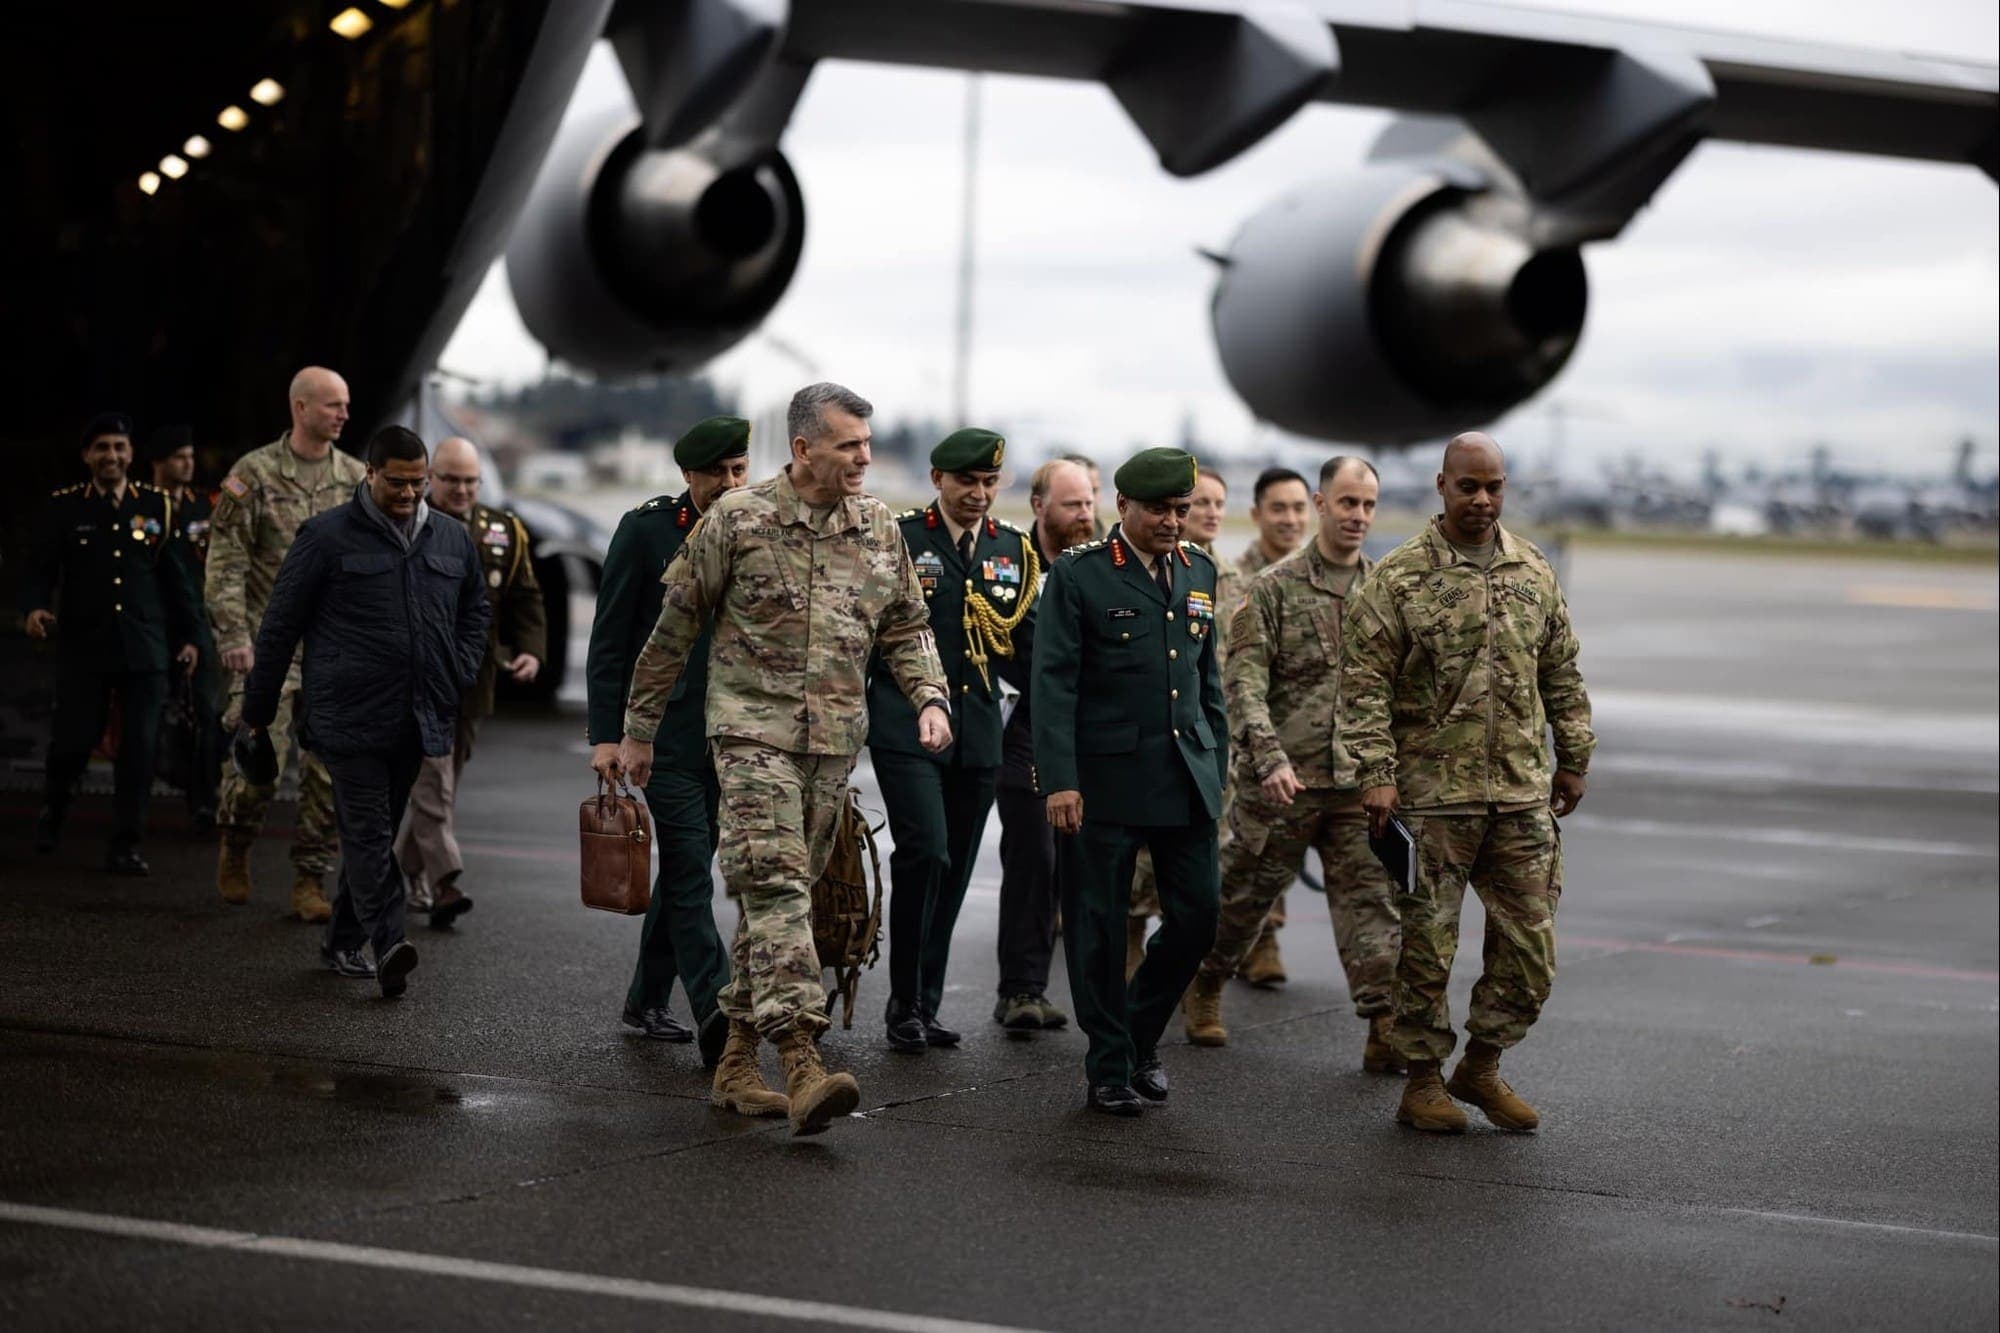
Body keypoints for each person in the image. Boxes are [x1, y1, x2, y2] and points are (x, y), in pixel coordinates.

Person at [616, 382, 949, 1137]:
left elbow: (906, 625)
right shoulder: (736, 519)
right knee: (773, 889)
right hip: (749, 736)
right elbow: (673, 629)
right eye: (848, 445)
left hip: (833, 747)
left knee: (780, 903)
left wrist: (930, 696)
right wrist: (638, 729)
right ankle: (801, 1057)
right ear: (803, 449)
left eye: (867, 443)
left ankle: (734, 1063)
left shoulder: (877, 529)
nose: (864, 458)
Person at [1341, 432, 1595, 1134]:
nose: (1482, 500)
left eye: (1494, 487)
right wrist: (1377, 776)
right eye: (1468, 487)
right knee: (1427, 950)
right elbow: (1362, 687)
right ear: (1441, 486)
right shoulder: (1399, 579)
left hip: (1519, 794)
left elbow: (1562, 673)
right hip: (1430, 800)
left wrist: (1574, 754)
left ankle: (1480, 1066)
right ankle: (1421, 1079)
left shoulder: (1533, 570)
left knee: (1531, 952)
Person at [240, 426, 489, 997]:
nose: (407, 494)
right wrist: (257, 714)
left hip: (418, 715)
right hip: (345, 716)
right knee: (368, 833)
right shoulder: (325, 538)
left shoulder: (451, 540)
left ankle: (341, 941)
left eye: (417, 483)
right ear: (369, 474)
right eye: (396, 482)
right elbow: (279, 629)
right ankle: (388, 943)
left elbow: (475, 609)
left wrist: (459, 669)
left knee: (378, 830)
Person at [1183, 457, 1403, 1072]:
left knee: (1372, 909)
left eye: (1368, 505)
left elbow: (1403, 688)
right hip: (1283, 782)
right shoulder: (1275, 587)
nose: (1358, 515)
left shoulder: (1385, 589)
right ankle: (1203, 984)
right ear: (1322, 504)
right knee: (1241, 900)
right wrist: (1268, 756)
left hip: (1357, 787)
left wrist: (1392, 769)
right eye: (1348, 503)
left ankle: (1384, 1022)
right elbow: (1243, 682)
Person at [1033, 446, 1227, 1117]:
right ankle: (1109, 1064)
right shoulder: (1082, 576)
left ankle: (1139, 1034)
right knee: (1099, 927)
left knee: (1199, 919)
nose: (1175, 521)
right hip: (1105, 780)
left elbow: (1209, 686)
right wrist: (1059, 779)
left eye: (1182, 508)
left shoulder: (1200, 569)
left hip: (1184, 777)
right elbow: (1052, 684)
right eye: (1161, 510)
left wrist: (1217, 770)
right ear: (1124, 507)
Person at [586, 417, 748, 1064]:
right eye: (718, 473)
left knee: (691, 865)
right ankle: (715, 1007)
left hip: (733, 734)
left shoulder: (755, 529)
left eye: (739, 470)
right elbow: (609, 639)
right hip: (667, 737)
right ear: (689, 475)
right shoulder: (648, 530)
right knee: (687, 867)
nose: (731, 484)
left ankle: (646, 997)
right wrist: (608, 736)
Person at [872, 428, 1039, 1052]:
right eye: (967, 481)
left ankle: (924, 1003)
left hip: (977, 735)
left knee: (956, 869)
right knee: (927, 852)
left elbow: (1025, 650)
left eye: (991, 482)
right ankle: (902, 1000)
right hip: (905, 727)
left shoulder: (1013, 549)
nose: (979, 493)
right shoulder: (901, 538)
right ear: (938, 479)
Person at [208, 367, 363, 920]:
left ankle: (308, 879)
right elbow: (225, 559)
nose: (344, 413)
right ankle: (236, 845)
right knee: (256, 769)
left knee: (325, 774)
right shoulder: (253, 474)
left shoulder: (354, 478)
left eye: (345, 404)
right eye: (332, 405)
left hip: (331, 653)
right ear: (300, 408)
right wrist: (233, 636)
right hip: (266, 649)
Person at [22, 413, 201, 873]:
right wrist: (35, 608)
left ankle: (126, 843)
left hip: (145, 646)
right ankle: (53, 812)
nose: (112, 456)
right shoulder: (65, 507)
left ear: (131, 454)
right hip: (86, 645)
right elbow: (39, 569)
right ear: (86, 455)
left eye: (119, 447)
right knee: (72, 741)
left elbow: (177, 580)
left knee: (139, 748)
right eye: (101, 447)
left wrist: (190, 638)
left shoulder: (157, 506)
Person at [393, 436, 546, 928]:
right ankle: (443, 881)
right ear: (430, 479)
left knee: (442, 784)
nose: (461, 489)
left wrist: (529, 651)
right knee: (430, 781)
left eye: (469, 480)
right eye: (450, 479)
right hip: (414, 677)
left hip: (473, 680)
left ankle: (395, 874)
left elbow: (525, 596)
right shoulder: (406, 523)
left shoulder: (503, 531)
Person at [1125, 466, 1244, 978]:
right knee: (1138, 874)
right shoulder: (1131, 573)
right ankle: (1131, 958)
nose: (1210, 513)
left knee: (1200, 887)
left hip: (1204, 742)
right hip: (1149, 745)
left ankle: (1186, 984)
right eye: (1202, 504)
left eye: (1219, 504)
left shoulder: (1225, 578)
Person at [991, 458, 1095, 1033]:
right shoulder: (1007, 565)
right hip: (1024, 725)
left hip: (1085, 731)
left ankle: (1091, 996)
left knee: (1081, 867)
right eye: (1072, 505)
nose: (1084, 516)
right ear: (1039, 507)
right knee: (1034, 856)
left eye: (1089, 503)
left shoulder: (1099, 568)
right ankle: (1021, 990)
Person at [1228, 465, 1313, 984]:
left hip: (1307, 738)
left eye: (1299, 508)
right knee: (1248, 851)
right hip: (1252, 737)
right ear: (1257, 514)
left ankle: (1265, 938)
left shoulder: (1325, 574)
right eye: (1279, 508)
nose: (1290, 518)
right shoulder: (1237, 579)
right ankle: (1249, 941)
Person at [148, 423, 224, 827]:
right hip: (154, 622)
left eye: (191, 457)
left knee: (207, 714)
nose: (188, 464)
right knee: (150, 716)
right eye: (180, 457)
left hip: (197, 622)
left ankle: (202, 800)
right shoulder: (141, 505)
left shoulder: (203, 507)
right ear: (159, 461)